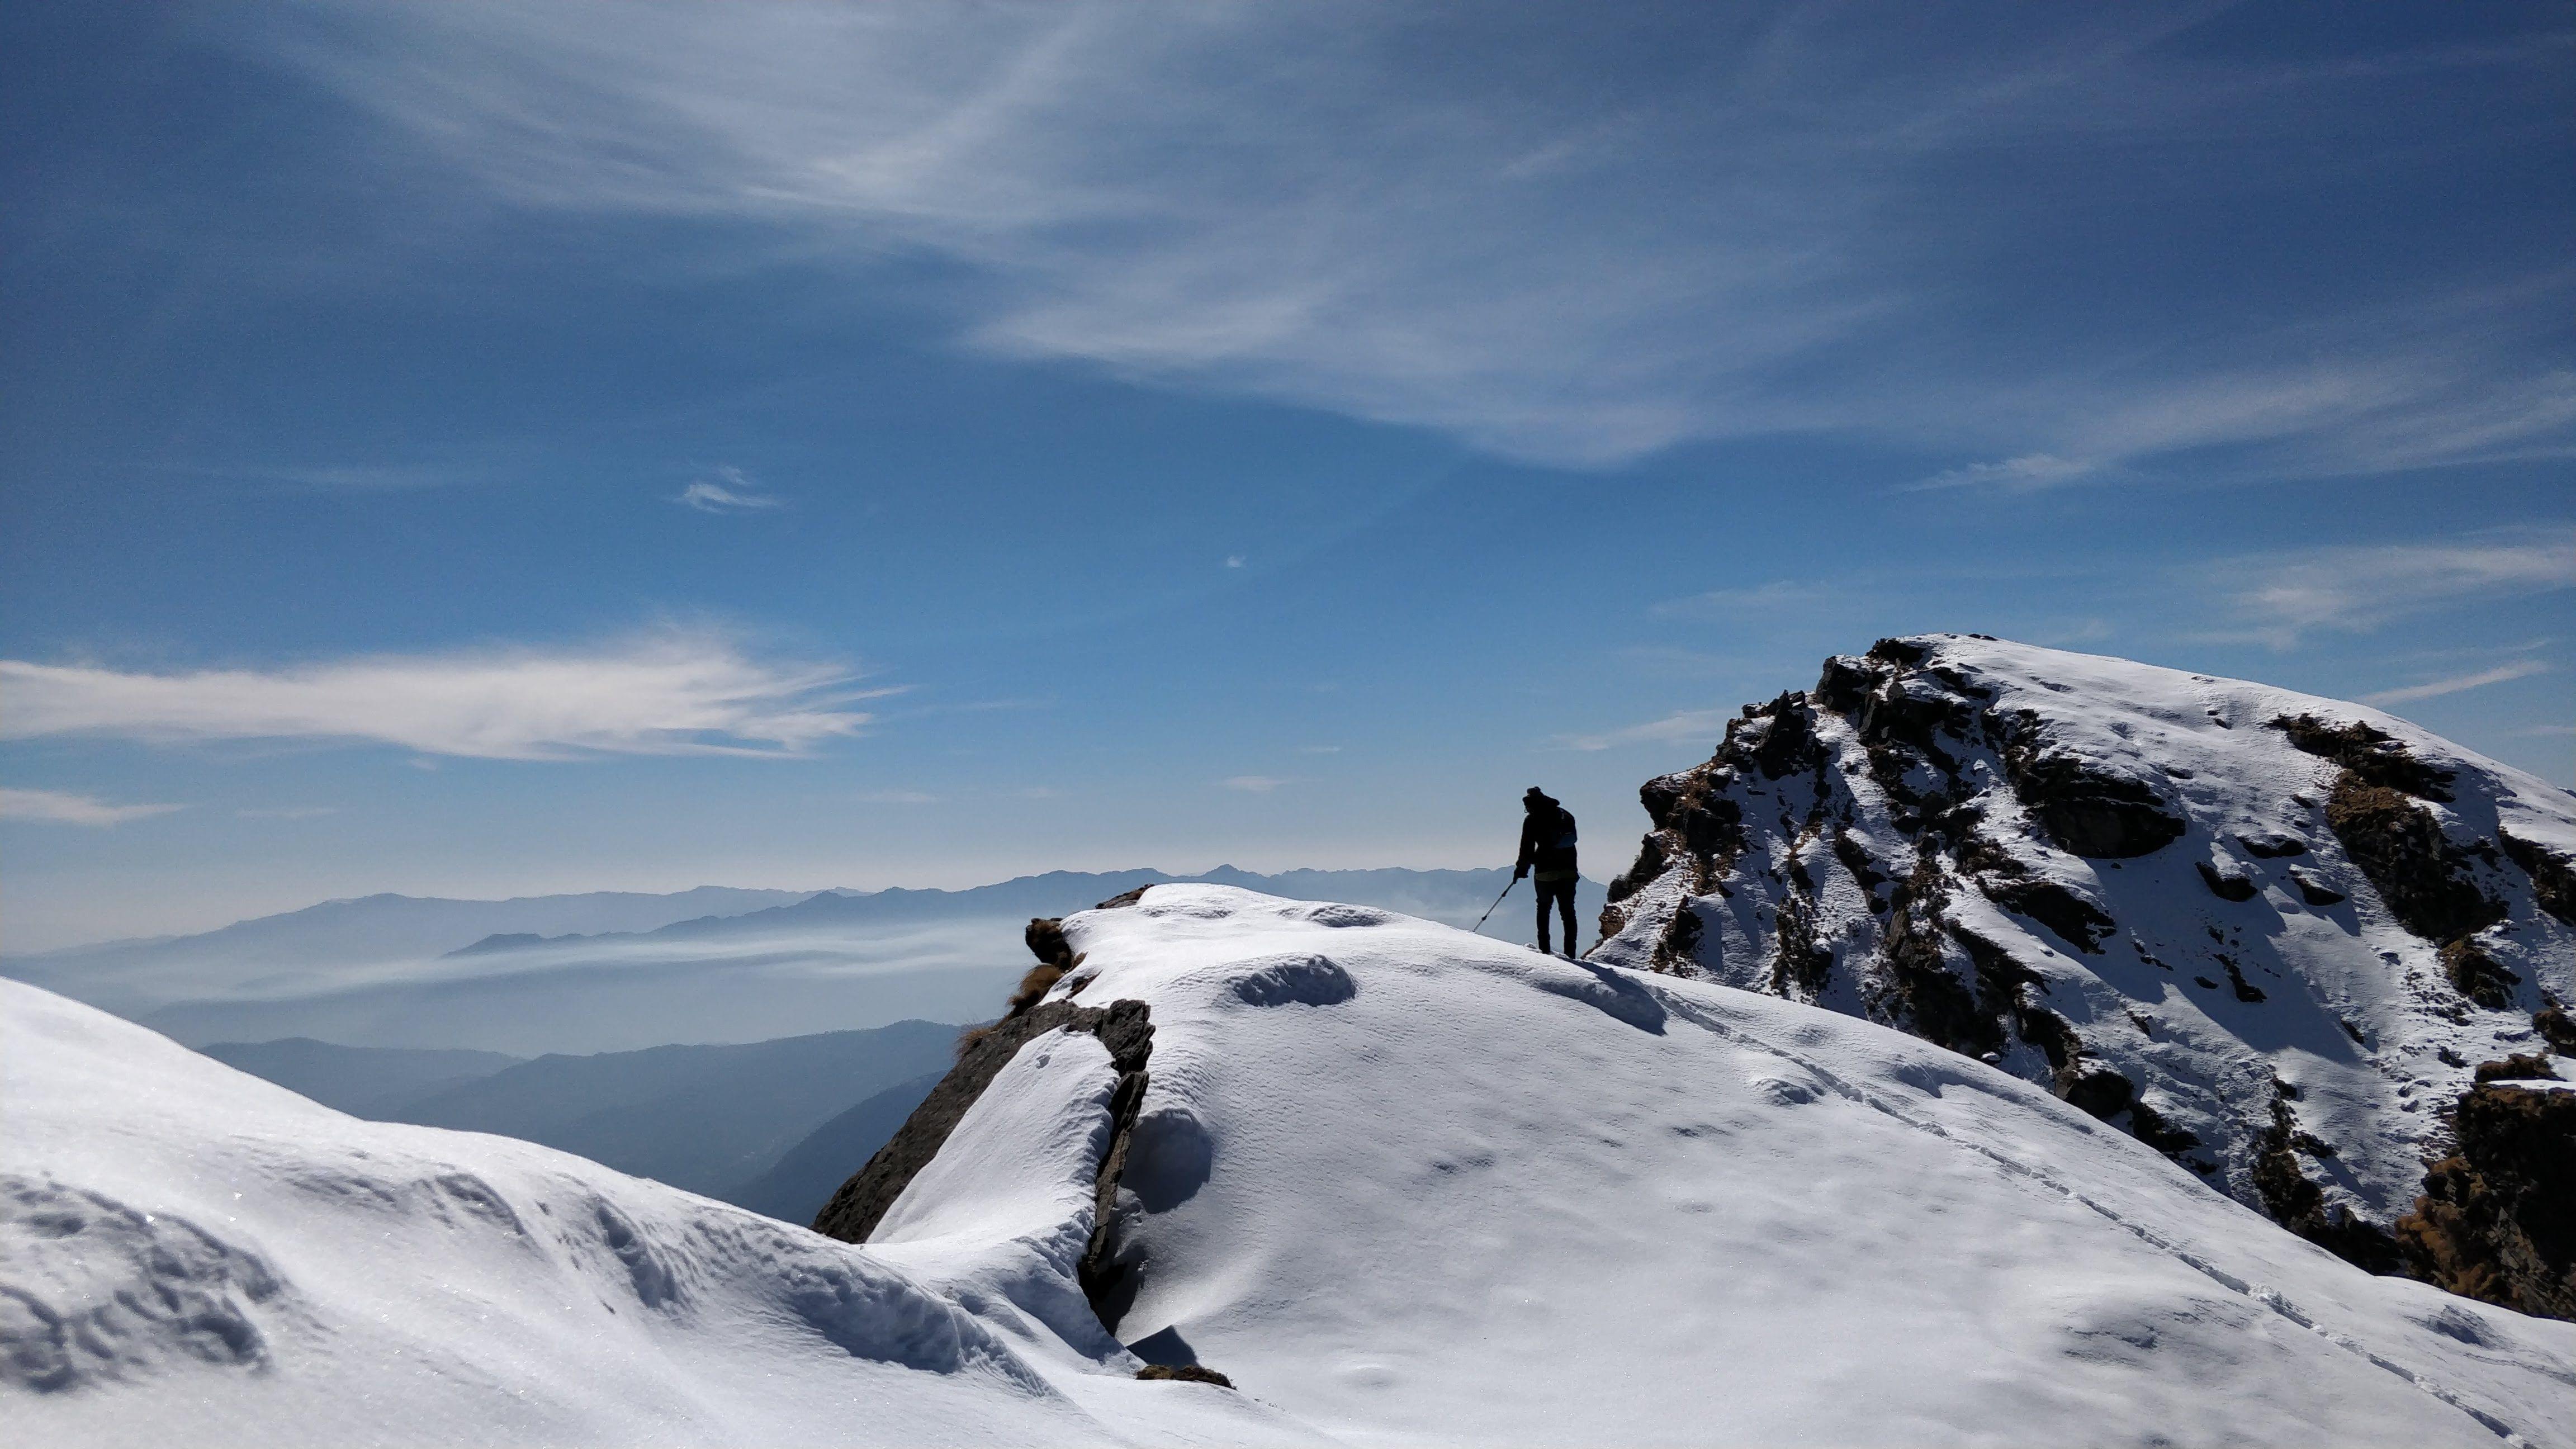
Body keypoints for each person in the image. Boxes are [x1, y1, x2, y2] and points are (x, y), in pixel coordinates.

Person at [1514, 786, 1579, 956]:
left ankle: (1545, 952)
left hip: (1545, 871)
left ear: (1531, 805)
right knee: (1568, 912)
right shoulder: (1565, 814)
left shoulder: (1532, 820)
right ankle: (1571, 954)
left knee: (1544, 909)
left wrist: (1522, 869)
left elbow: (1526, 848)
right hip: (1569, 870)